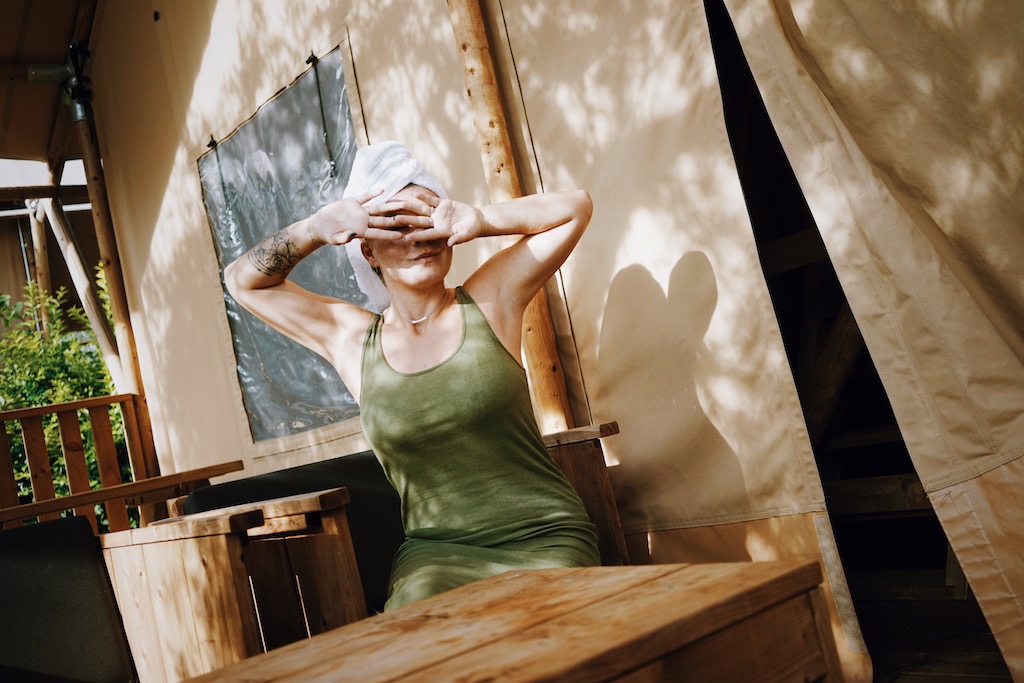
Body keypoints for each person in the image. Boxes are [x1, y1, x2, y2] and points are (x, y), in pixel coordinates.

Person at [224, 140, 598, 610]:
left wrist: (481, 219)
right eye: (398, 226)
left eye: (430, 219)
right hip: (437, 556)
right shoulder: (351, 339)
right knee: (415, 632)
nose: (420, 237)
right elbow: (242, 281)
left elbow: (576, 208)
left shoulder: (488, 300)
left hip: (544, 538)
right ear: (368, 251)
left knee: (545, 632)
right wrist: (314, 229)